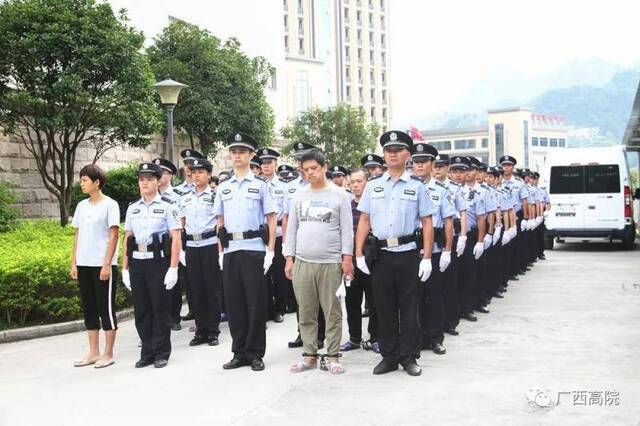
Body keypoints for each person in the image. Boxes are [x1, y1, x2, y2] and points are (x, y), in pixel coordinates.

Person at [355, 130, 435, 377]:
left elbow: (427, 222)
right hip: (381, 255)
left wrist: (427, 257)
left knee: (409, 309)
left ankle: (409, 356)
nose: (392, 154)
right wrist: (358, 254)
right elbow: (365, 220)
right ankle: (389, 356)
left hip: (408, 253)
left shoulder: (417, 187)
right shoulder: (373, 186)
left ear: (407, 155)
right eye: (388, 151)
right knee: (384, 308)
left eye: (397, 150)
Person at [284, 149, 353, 374]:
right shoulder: (298, 195)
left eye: (314, 168)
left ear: (324, 167)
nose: (310, 173)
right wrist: (289, 258)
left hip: (331, 263)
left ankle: (333, 356)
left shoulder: (340, 195)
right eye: (306, 170)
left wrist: (347, 259)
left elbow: (347, 231)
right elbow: (291, 229)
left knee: (332, 311)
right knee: (306, 312)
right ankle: (309, 355)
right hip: (303, 262)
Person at [214, 133, 276, 371]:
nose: (237, 156)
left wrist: (270, 250)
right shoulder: (223, 187)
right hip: (231, 250)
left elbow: (271, 219)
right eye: (233, 152)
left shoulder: (260, 186)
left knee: (255, 303)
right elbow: (219, 221)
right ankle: (239, 352)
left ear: (251, 156)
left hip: (253, 250)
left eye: (242, 152)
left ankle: (255, 353)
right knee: (235, 303)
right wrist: (220, 251)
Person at [121, 162, 182, 368]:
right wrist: (124, 268)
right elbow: (127, 238)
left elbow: (175, 237)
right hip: (138, 262)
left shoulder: (168, 206)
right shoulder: (132, 208)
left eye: (149, 179)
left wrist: (173, 267)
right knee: (142, 309)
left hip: (158, 262)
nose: (145, 183)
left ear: (158, 181)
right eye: (141, 179)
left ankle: (162, 352)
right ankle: (147, 351)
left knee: (160, 308)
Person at [70, 164, 120, 369]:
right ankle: (93, 352)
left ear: (96, 182)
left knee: (105, 309)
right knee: (89, 308)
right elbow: (78, 234)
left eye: (84, 180)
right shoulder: (82, 206)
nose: (81, 184)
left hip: (102, 265)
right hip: (84, 264)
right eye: (81, 180)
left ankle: (108, 353)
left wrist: (107, 263)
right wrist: (73, 262)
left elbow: (114, 234)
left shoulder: (110, 205)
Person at [411, 143, 456, 355]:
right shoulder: (406, 187)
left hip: (435, 251)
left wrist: (447, 250)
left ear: (431, 164)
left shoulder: (441, 191)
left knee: (434, 296)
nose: (419, 166)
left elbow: (448, 222)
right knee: (413, 298)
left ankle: (436, 337)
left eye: (424, 162)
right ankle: (416, 338)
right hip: (410, 251)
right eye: (416, 162)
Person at [281, 142, 327, 349]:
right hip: (299, 248)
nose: (304, 167)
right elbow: (287, 218)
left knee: (321, 297)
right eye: (300, 161)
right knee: (303, 296)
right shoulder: (291, 187)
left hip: (320, 248)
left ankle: (320, 335)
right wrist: (286, 248)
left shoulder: (323, 185)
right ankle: (303, 333)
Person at [179, 158, 222, 347]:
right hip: (192, 247)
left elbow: (221, 222)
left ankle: (213, 331)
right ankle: (200, 330)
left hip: (210, 244)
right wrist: (181, 248)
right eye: (193, 172)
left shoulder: (215, 195)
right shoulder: (185, 196)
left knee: (211, 289)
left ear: (209, 174)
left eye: (200, 172)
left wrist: (221, 251)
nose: (196, 175)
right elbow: (182, 223)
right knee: (196, 289)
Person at [341, 168, 379, 353]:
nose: (355, 185)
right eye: (352, 182)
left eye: (359, 181)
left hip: (372, 259)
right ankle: (354, 338)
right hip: (351, 261)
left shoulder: (375, 203)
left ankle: (376, 337)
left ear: (367, 182)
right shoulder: (346, 206)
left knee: (375, 301)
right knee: (352, 301)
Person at [433, 154, 467, 336]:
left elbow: (462, 212)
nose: (437, 169)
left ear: (447, 168)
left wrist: (462, 236)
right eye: (435, 165)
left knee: (449, 282)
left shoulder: (454, 188)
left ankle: (450, 321)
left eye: (441, 166)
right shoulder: (424, 186)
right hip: (433, 236)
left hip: (450, 235)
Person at [152, 157, 184, 331]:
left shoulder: (177, 197)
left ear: (170, 175)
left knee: (174, 280)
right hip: (154, 246)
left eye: (162, 172)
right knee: (157, 282)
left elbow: (182, 221)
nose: (158, 175)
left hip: (171, 241)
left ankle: (174, 316)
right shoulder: (149, 194)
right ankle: (159, 318)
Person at [258, 148, 289, 323]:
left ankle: (280, 308)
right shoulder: (257, 184)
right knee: (263, 273)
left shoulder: (283, 186)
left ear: (275, 164)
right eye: (263, 163)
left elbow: (285, 215)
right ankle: (267, 308)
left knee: (279, 273)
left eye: (269, 162)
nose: (266, 166)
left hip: (277, 234)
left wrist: (285, 241)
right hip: (261, 235)